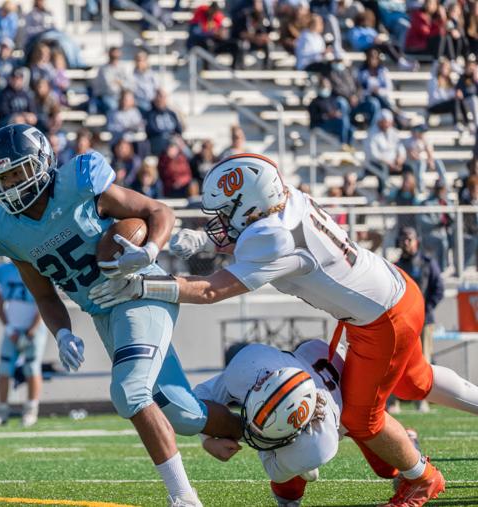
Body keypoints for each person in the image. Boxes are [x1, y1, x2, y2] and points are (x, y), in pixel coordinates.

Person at [90, 152, 478, 506]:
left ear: (249, 206)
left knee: (362, 419)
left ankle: (423, 479)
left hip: (381, 320)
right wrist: (205, 239)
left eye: (226, 212)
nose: (221, 222)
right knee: (416, 382)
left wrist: (142, 284)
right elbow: (257, 240)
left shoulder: (270, 236)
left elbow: (211, 290)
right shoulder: (287, 200)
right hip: (391, 294)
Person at [0, 124, 243, 507]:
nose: (12, 185)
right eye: (2, 178)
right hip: (104, 311)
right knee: (184, 414)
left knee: (129, 391)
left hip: (140, 291)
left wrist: (151, 250)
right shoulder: (6, 229)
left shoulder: (79, 183)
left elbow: (157, 211)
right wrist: (62, 334)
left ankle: (184, 498)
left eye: (18, 172)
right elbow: (44, 296)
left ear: (42, 162)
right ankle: (267, 431)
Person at [196, 339, 346, 507]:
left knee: (368, 430)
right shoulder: (250, 369)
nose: (253, 428)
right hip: (313, 354)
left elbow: (277, 472)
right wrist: (206, 439)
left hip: (345, 386)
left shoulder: (318, 442)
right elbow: (200, 396)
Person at [0, 260, 47, 428]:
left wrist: (32, 330)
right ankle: (1, 412)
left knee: (32, 367)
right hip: (13, 328)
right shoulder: (4, 271)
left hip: (33, 329)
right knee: (4, 369)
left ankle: (31, 411)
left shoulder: (36, 266)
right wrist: (9, 329)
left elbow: (45, 300)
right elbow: (0, 304)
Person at [393, 227, 444, 413]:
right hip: (402, 322)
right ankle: (393, 402)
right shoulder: (396, 265)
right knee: (397, 361)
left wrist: (424, 308)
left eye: (409, 239)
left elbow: (438, 289)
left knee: (423, 362)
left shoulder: (428, 263)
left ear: (417, 241)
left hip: (424, 321)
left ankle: (422, 401)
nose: (405, 242)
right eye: (403, 239)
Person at [364, 110, 406, 195]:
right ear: (379, 122)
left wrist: (400, 159)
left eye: (388, 122)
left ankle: (407, 192)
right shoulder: (371, 133)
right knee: (382, 168)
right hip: (376, 164)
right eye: (385, 122)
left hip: (393, 163)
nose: (387, 125)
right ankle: (383, 193)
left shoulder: (394, 132)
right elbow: (373, 154)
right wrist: (388, 162)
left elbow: (401, 149)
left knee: (409, 168)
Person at [308, 77, 354, 147]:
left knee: (350, 128)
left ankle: (348, 145)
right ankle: (342, 144)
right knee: (342, 122)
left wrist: (336, 114)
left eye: (326, 86)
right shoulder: (315, 102)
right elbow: (314, 117)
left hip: (333, 122)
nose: (325, 88)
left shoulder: (332, 99)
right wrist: (327, 115)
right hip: (320, 125)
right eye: (323, 86)